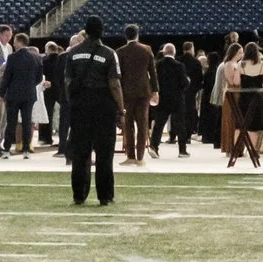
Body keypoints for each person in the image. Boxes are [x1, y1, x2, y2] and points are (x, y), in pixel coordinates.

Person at [61, 15, 123, 205]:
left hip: (80, 106)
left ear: (85, 31)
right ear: (102, 31)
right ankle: (105, 196)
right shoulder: (109, 53)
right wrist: (121, 108)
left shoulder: (73, 53)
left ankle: (79, 194)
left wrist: (74, 101)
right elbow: (114, 84)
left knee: (80, 153)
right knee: (104, 153)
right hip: (103, 105)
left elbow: (68, 81)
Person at [226, 39, 263, 168]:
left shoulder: (241, 64)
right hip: (258, 98)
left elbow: (235, 82)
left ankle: (238, 150)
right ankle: (252, 149)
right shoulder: (262, 64)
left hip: (245, 98)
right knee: (256, 127)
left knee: (242, 124)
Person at [117, 24, 157, 164]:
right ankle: (140, 157)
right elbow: (152, 72)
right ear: (137, 35)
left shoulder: (120, 52)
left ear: (125, 36)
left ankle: (130, 156)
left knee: (128, 125)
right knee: (142, 124)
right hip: (144, 91)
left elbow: (118, 75)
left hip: (127, 92)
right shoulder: (147, 50)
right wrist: (155, 90)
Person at [0, 32, 43, 157]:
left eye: (15, 41)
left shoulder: (12, 57)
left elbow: (7, 77)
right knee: (27, 122)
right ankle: (26, 150)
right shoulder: (36, 58)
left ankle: (7, 149)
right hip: (29, 94)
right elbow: (39, 78)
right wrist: (30, 85)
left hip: (13, 94)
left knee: (11, 122)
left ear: (19, 42)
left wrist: (2, 93)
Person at [156, 42, 192, 159]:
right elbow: (184, 83)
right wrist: (187, 81)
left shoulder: (158, 65)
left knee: (159, 124)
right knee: (180, 124)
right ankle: (182, 150)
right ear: (174, 52)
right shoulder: (179, 66)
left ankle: (154, 147)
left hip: (162, 98)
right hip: (177, 99)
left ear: (164, 52)